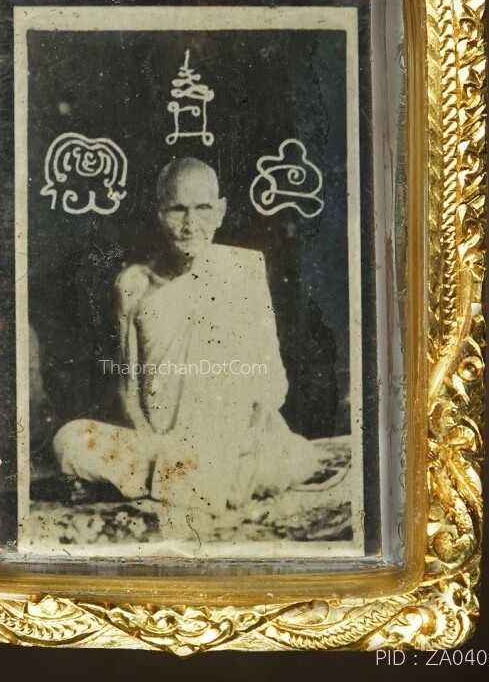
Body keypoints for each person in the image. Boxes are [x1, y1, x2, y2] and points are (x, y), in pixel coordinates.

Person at [53, 158, 330, 533]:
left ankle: (175, 483)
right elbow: (127, 389)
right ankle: (207, 484)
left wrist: (239, 428)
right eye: (177, 209)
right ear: (159, 213)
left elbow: (271, 379)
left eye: (203, 208)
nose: (190, 224)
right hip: (162, 445)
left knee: (299, 456)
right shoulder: (133, 284)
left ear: (221, 211)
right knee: (70, 439)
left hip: (230, 442)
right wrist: (160, 446)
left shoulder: (245, 270)